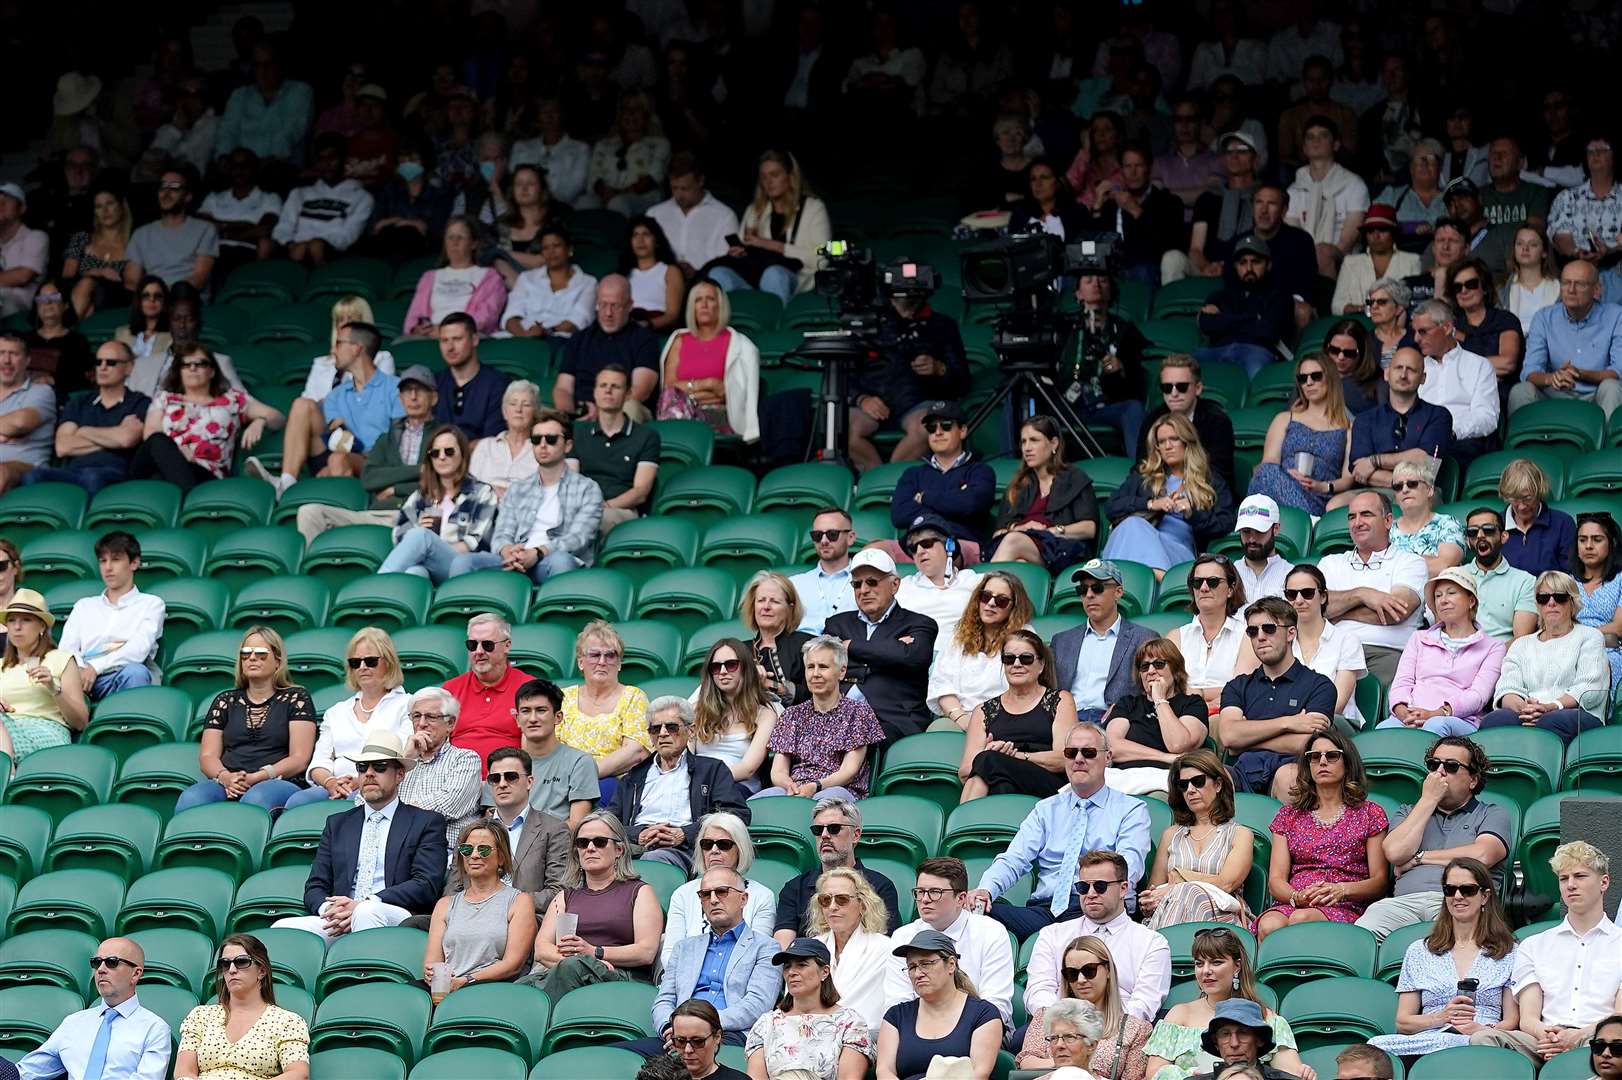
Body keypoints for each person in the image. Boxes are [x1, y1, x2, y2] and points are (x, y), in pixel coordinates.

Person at [970, 724, 1152, 940]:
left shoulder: (1131, 810)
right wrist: (985, 890)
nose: (1078, 759)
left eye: (1089, 752)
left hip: (1095, 909)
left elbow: (1128, 866)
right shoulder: (1046, 809)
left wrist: (1096, 894)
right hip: (1043, 911)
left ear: (1108, 757)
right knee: (972, 917)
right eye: (1071, 752)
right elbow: (1014, 860)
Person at [273, 730, 449, 941]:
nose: (369, 773)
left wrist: (367, 902)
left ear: (400, 774)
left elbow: (426, 884)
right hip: (340, 916)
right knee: (282, 927)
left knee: (367, 912)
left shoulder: (426, 822)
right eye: (362, 767)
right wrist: (329, 909)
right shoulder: (338, 823)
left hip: (395, 914)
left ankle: (366, 972)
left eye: (380, 767)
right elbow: (315, 885)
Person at [1468, 841, 1622, 1063]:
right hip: (1544, 1040)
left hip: (1599, 1038)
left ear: (1604, 882)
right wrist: (1548, 1036)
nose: (1570, 885)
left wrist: (1576, 1036)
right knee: (1485, 1038)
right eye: (1563, 878)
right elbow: (1528, 1018)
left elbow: (1619, 1016)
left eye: (1580, 876)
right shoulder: (1533, 945)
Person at [1357, 736, 1511, 940]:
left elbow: (1481, 856)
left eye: (1451, 766)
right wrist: (1428, 799)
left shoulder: (1491, 813)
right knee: (1364, 932)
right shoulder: (1408, 812)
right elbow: (1395, 852)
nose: (1439, 772)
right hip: (1403, 903)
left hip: (1460, 900)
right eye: (1433, 765)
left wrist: (1419, 857)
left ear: (1473, 780)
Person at [622, 866, 780, 1059]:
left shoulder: (766, 947)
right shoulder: (684, 948)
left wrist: (697, 1025)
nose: (713, 899)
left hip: (729, 1035)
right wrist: (669, 1026)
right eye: (705, 894)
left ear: (743, 899)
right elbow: (664, 999)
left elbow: (757, 1005)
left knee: (680, 1063)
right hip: (678, 1035)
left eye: (722, 891)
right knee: (616, 1055)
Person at [1255, 728, 1390, 940]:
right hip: (1297, 900)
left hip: (1345, 901)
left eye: (1332, 755)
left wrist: (1341, 890)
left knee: (1301, 921)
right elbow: (1275, 880)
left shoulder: (1370, 813)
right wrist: (1296, 896)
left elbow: (1380, 881)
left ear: (1347, 763)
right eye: (1315, 757)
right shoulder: (1288, 815)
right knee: (1269, 925)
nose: (1323, 762)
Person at [250, 321, 401, 498]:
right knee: (302, 404)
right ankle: (286, 484)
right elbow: (335, 436)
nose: (333, 351)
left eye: (338, 343)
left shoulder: (395, 388)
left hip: (376, 462)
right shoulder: (335, 395)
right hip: (340, 455)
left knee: (337, 459)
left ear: (357, 349)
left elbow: (401, 439)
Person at [452, 409, 604, 583]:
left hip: (551, 561)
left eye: (551, 439)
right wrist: (507, 550)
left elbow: (578, 538)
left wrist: (538, 553)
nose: (543, 445)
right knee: (463, 562)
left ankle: (553, 611)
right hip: (515, 559)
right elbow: (502, 533)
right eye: (536, 440)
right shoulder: (518, 488)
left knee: (561, 561)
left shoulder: (587, 488)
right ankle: (473, 612)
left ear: (568, 445)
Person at [171, 626, 313, 812]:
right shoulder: (225, 701)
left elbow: (299, 758)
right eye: (245, 653)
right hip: (227, 781)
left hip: (278, 780)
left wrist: (258, 776)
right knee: (191, 799)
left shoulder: (296, 698)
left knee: (256, 798)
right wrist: (225, 777)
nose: (252, 658)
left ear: (278, 661)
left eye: (261, 653)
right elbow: (207, 756)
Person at [1140, 927, 1312, 1080]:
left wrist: (1303, 1074)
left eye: (1216, 962)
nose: (1206, 971)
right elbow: (1154, 1072)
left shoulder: (1266, 1018)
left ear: (1237, 966)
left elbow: (1291, 1073)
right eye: (1199, 963)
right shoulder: (1179, 1015)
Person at [525, 810, 663, 1000]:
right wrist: (585, 961)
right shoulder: (564, 897)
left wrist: (595, 953)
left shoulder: (639, 892)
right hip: (569, 970)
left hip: (621, 978)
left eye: (599, 842)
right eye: (582, 843)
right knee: (515, 990)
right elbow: (542, 950)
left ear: (619, 850)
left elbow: (646, 951)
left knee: (571, 968)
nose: (590, 848)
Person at [1025, 849, 1172, 1026]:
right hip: (1059, 1027)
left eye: (1100, 886)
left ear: (1123, 888)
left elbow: (1144, 1003)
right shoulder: (1052, 934)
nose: (1091, 893)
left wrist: (1100, 1028)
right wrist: (1064, 1024)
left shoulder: (1151, 943)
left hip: (1120, 1030)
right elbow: (1038, 991)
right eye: (1083, 887)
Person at [1216, 597, 1339, 800]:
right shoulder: (1237, 685)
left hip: (1292, 769)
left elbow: (1309, 743)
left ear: (1291, 633)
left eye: (1269, 629)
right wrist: (1290, 722)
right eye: (1253, 631)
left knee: (1288, 777)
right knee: (1204, 777)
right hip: (1243, 771)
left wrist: (1246, 739)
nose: (1260, 637)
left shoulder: (1320, 685)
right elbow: (1229, 736)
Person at [608, 695, 749, 871]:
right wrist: (639, 834)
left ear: (691, 731)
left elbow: (736, 813)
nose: (663, 733)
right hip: (633, 848)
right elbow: (609, 822)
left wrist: (685, 833)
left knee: (653, 860)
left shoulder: (712, 770)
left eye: (672, 727)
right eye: (655, 729)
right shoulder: (634, 776)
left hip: (685, 849)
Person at [281, 627, 411, 810]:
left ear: (389, 663)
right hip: (334, 786)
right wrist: (330, 782)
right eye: (355, 662)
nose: (363, 667)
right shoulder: (336, 712)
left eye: (371, 661)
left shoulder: (408, 705)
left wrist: (360, 781)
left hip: (380, 786)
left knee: (356, 803)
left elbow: (403, 754)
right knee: (298, 803)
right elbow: (319, 762)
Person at [1479, 570, 1610, 742]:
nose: (1551, 603)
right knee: (1494, 721)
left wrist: (1550, 707)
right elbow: (1507, 688)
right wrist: (1525, 710)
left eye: (1560, 597)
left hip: (1577, 714)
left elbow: (1589, 689)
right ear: (1538, 605)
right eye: (1544, 598)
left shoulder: (1590, 637)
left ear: (1573, 602)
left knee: (1551, 722)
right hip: (1529, 713)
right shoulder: (1521, 644)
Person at [132, 343, 282, 494]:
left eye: (200, 363)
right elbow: (151, 433)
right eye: (186, 364)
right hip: (163, 467)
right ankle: (189, 498)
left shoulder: (233, 399)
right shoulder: (164, 398)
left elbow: (278, 418)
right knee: (157, 440)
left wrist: (259, 421)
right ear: (179, 371)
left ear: (212, 371)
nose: (193, 368)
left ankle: (190, 499)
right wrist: (177, 452)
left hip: (207, 474)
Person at [820, 551, 937, 740]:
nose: (864, 590)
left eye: (872, 582)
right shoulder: (836, 624)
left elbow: (914, 658)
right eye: (857, 584)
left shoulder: (920, 623)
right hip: (836, 714)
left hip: (893, 720)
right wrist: (892, 649)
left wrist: (850, 646)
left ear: (895, 585)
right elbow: (825, 663)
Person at [17, 936, 171, 1080]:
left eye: (112, 962)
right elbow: (25, 1073)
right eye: (96, 963)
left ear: (135, 974)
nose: (101, 969)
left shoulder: (155, 1029)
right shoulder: (73, 1023)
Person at [752, 635, 884, 802]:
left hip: (839, 789)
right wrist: (789, 785)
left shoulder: (858, 712)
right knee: (753, 806)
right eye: (810, 667)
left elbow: (849, 771)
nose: (815, 674)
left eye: (823, 667)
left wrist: (816, 785)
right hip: (794, 790)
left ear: (842, 671)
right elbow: (778, 771)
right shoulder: (792, 714)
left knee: (822, 805)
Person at [884, 858, 1014, 1028]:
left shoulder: (991, 932)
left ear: (961, 898)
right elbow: (897, 1003)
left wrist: (951, 1034)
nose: (924, 899)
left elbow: (996, 1005)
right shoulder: (903, 937)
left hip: (979, 1028)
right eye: (920, 891)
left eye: (935, 892)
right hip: (918, 1030)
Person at [1318, 491, 1429, 683]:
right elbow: (1311, 609)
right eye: (1352, 517)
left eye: (1366, 514)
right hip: (1332, 651)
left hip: (1385, 654)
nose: (1357, 522)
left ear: (1387, 521)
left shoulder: (1410, 562)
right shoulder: (1330, 563)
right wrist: (1362, 595)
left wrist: (1335, 612)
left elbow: (1394, 612)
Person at [1379, 571, 1507, 736]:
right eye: (1438, 596)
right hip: (1410, 717)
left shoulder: (1493, 646)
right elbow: (1402, 683)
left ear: (1471, 601)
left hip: (1459, 720)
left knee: (1435, 727)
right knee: (1382, 731)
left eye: (1451, 593)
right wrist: (1405, 714)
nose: (1443, 600)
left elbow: (1478, 695)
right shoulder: (1419, 638)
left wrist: (1436, 714)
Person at [956, 628, 1077, 801]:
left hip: (1048, 785)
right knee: (1001, 785)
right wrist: (987, 754)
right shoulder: (983, 711)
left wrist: (1012, 756)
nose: (1017, 664)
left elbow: (1064, 759)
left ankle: (963, 823)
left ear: (1041, 665)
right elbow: (965, 772)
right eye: (1009, 658)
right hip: (999, 780)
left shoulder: (1060, 700)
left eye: (1026, 659)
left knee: (989, 760)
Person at [1104, 414, 1236, 574]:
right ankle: (1156, 579)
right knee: (1132, 525)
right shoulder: (1145, 476)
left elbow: (1226, 523)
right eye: (1161, 441)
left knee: (1133, 525)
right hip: (1137, 544)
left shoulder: (1210, 480)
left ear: (1187, 441)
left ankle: (1134, 580)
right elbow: (1111, 507)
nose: (1167, 446)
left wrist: (1192, 513)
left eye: (1174, 439)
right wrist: (1151, 504)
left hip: (1179, 553)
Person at [1141, 749, 1254, 928]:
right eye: (1183, 785)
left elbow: (1226, 883)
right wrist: (1150, 900)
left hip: (1221, 920)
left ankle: (1170, 950)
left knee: (1188, 891)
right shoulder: (1171, 835)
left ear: (1218, 785)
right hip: (1169, 913)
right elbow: (1155, 888)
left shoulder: (1240, 834)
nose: (1190, 790)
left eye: (1198, 782)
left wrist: (1176, 885)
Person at [171, 934, 308, 1080]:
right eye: (225, 964)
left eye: (241, 962)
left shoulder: (287, 1021)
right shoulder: (200, 1015)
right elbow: (183, 1072)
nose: (231, 970)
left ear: (261, 971)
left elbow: (298, 1073)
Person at [421, 821, 537, 993]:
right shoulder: (445, 904)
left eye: (483, 849)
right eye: (467, 850)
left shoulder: (519, 901)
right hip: (447, 988)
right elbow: (433, 963)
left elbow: (513, 964)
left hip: (490, 990)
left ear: (501, 857)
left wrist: (466, 980)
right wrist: (432, 974)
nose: (474, 855)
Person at [773, 797, 903, 949]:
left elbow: (884, 946)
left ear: (856, 835)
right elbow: (783, 947)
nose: (824, 835)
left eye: (834, 828)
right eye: (818, 830)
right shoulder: (794, 888)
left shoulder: (880, 886)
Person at [375, 424, 498, 583]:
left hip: (465, 567)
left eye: (449, 451)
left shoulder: (482, 493)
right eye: (435, 453)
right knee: (415, 572)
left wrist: (430, 546)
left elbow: (474, 543)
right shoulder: (420, 496)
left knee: (422, 536)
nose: (441, 457)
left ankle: (375, 588)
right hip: (431, 566)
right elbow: (398, 536)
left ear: (463, 454)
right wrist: (420, 535)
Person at [1018, 935, 1155, 1078]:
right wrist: (1068, 1065)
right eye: (1072, 973)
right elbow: (1027, 1061)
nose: (1081, 980)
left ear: (1108, 970)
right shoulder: (1048, 1015)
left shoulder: (1136, 1029)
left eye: (1089, 971)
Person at [459, 746, 571, 920]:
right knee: (415, 923)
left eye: (511, 777)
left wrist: (504, 903)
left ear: (529, 782)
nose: (502, 784)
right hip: (470, 916)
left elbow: (558, 892)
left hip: (524, 918)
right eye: (495, 778)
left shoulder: (554, 829)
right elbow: (454, 888)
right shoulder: (471, 832)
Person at [709, 149, 831, 305]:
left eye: (775, 175)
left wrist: (773, 245)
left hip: (797, 278)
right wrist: (738, 253)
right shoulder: (754, 210)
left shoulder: (814, 208)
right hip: (754, 276)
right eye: (764, 177)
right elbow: (745, 250)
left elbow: (821, 260)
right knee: (717, 274)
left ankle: (772, 326)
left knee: (773, 274)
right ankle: (737, 325)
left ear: (790, 176)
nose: (769, 182)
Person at [876, 931, 1003, 1080]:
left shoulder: (983, 1014)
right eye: (911, 967)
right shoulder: (896, 1016)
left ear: (951, 965)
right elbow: (884, 1071)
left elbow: (979, 1073)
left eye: (925, 964)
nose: (917, 973)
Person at [21, 338, 142, 492]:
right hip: (73, 472)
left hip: (113, 472)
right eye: (98, 362)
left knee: (92, 476)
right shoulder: (78, 402)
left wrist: (84, 431)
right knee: (32, 476)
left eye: (111, 362)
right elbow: (63, 447)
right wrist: (112, 439)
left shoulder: (139, 401)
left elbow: (126, 439)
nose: (102, 367)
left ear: (129, 367)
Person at [745, 937, 874, 1080]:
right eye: (787, 966)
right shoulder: (766, 1024)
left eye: (801, 965)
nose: (791, 972)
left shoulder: (850, 1023)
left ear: (824, 972)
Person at [1339, 348, 1453, 508]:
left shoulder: (1439, 415)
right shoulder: (1365, 420)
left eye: (1411, 370)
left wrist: (1374, 461)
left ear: (1423, 378)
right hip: (1372, 492)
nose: (1403, 374)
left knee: (1420, 502)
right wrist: (1408, 479)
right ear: (1386, 374)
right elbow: (1358, 469)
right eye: (1398, 368)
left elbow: (1426, 461)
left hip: (1421, 492)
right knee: (1334, 505)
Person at [56, 530, 163, 701]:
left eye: (116, 559)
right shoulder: (84, 606)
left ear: (134, 563)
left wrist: (95, 668)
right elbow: (67, 649)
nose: (108, 567)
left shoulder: (151, 604)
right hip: (80, 679)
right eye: (103, 561)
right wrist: (82, 670)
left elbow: (138, 650)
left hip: (121, 676)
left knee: (136, 672)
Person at [663, 812, 779, 966]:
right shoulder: (683, 894)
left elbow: (757, 954)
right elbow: (670, 954)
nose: (714, 850)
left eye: (724, 845)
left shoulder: (762, 896)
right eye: (707, 844)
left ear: (740, 849)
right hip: (687, 983)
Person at [1053, 560, 1160, 724]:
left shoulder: (1144, 638)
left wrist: (1125, 708)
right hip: (1066, 721)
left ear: (1118, 592)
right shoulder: (1061, 641)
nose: (1089, 595)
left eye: (1097, 588)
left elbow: (1155, 687)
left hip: (1119, 722)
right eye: (1083, 589)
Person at [883, 402, 994, 561]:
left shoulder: (981, 471)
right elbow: (899, 515)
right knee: (872, 551)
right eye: (931, 427)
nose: (938, 432)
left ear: (962, 431)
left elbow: (972, 504)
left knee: (939, 554)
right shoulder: (913, 474)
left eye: (946, 426)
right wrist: (954, 504)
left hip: (961, 544)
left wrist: (925, 498)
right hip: (914, 545)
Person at [1515, 259, 1622, 419]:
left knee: (1612, 387)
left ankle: (1609, 444)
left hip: (1596, 394)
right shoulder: (1544, 318)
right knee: (1521, 391)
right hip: (1554, 392)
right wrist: (1552, 378)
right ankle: (1525, 443)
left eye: (1580, 284)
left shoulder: (1615, 316)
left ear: (1596, 289)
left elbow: (1618, 371)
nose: (1571, 290)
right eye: (1566, 283)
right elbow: (1530, 371)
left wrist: (1580, 374)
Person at [989, 416, 1099, 571]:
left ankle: (980, 590)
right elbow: (998, 533)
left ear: (1053, 443)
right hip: (1023, 548)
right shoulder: (1018, 484)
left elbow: (1089, 528)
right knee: (1019, 564)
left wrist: (1051, 531)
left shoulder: (1074, 477)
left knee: (1013, 541)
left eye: (1034, 440)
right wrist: (1023, 528)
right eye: (1024, 441)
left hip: (1059, 549)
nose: (1027, 448)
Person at [1248, 351, 1352, 516]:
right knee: (1265, 472)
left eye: (1316, 376)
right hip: (1280, 488)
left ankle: (1302, 520)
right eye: (1303, 378)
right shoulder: (1285, 418)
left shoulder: (1347, 427)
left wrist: (1322, 486)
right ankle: (1303, 522)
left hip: (1319, 496)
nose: (1309, 382)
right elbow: (1268, 463)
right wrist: (1287, 475)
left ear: (1330, 378)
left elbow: (1348, 479)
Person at [657, 279, 761, 441]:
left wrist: (689, 393)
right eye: (698, 300)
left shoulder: (739, 343)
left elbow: (732, 394)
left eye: (710, 299)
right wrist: (710, 384)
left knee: (679, 414)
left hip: (720, 416)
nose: (704, 304)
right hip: (682, 412)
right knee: (671, 399)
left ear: (720, 306)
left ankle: (675, 445)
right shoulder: (679, 340)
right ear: (692, 307)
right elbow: (669, 389)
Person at [1102, 640, 1211, 794]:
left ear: (1175, 669)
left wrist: (1159, 699)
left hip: (1166, 782)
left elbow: (1178, 745)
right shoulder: (1128, 703)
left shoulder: (1192, 703)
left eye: (1159, 664)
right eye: (1144, 667)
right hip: (1124, 778)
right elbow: (1112, 746)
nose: (1151, 671)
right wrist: (1165, 757)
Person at [929, 571, 1034, 729]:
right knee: (939, 729)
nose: (991, 603)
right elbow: (943, 685)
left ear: (1014, 607)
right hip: (959, 717)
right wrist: (962, 719)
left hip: (1005, 718)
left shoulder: (1024, 637)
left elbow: (1025, 690)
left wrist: (984, 722)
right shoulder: (959, 636)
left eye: (1001, 600)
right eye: (985, 596)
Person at [392, 685, 493, 848]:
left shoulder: (465, 759)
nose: (422, 724)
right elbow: (366, 800)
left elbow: (446, 806)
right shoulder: (400, 761)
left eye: (431, 717)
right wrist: (404, 762)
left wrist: (391, 812)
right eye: (416, 716)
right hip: (397, 849)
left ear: (451, 724)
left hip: (444, 853)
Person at [553, 275, 661, 421]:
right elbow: (563, 388)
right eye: (603, 305)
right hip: (581, 413)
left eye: (615, 306)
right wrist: (568, 417)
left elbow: (641, 391)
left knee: (631, 408)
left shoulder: (645, 339)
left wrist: (602, 410)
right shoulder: (580, 339)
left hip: (623, 411)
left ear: (629, 305)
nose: (608, 313)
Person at [570, 365, 662, 534]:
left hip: (620, 510)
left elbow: (640, 492)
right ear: (595, 392)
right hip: (580, 508)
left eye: (616, 387)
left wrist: (604, 506)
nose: (608, 391)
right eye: (603, 386)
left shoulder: (646, 436)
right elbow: (570, 481)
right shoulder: (578, 432)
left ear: (627, 394)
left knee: (594, 520)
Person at [558, 620, 652, 782]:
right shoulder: (562, 698)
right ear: (581, 662)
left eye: (610, 655)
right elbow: (547, 747)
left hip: (611, 782)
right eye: (595, 655)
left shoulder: (633, 698)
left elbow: (636, 752)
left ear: (619, 663)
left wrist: (584, 776)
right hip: (561, 779)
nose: (602, 661)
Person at [1162, 130, 1260, 285]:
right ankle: (1173, 309)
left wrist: (1229, 267)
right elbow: (1196, 249)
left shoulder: (1264, 197)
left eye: (1242, 150)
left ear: (1255, 159)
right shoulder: (1209, 197)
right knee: (1172, 258)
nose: (1234, 156)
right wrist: (1207, 266)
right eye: (1229, 152)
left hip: (1250, 268)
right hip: (1209, 268)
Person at [0, 588, 86, 762]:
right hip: (6, 730)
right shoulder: (1, 664)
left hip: (46, 733)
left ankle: (6, 775)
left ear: (41, 626)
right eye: (11, 620)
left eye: (26, 620)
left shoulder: (61, 659)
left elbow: (81, 722)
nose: (17, 627)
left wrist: (54, 689)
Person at [807, 866, 894, 1036]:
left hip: (861, 1038)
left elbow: (865, 1010)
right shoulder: (812, 947)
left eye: (842, 899)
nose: (832, 907)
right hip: (811, 1035)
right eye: (825, 900)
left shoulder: (884, 948)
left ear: (862, 905)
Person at [1411, 298, 1499, 465]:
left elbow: (1486, 418)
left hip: (1460, 443)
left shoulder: (1479, 365)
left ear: (1446, 328)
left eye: (1423, 331)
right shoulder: (1416, 366)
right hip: (1418, 443)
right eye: (1414, 332)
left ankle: (1418, 483)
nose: (1416, 338)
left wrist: (1451, 431)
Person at [1194, 237, 1294, 379]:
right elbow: (1206, 323)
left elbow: (1269, 331)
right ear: (1236, 266)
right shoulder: (1220, 296)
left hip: (1256, 351)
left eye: (1255, 262)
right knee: (1183, 368)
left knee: (1256, 369)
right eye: (1242, 263)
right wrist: (1253, 318)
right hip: (1217, 350)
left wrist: (1223, 319)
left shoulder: (1279, 297)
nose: (1248, 269)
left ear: (1268, 265)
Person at [1284, 116, 1369, 282]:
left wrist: (1321, 256)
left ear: (1336, 145)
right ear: (1304, 148)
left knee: (1322, 252)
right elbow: (1292, 235)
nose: (1316, 141)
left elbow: (1348, 241)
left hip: (1343, 256)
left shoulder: (1354, 184)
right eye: (1310, 137)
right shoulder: (1294, 189)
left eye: (1323, 135)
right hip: (1304, 257)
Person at [1283, 563, 1367, 728]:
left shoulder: (1347, 640)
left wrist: (1294, 721)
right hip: (1289, 724)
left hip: (1336, 724)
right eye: (1291, 594)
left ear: (1323, 596)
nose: (1299, 600)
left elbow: (1338, 703)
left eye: (1307, 593)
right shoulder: (1280, 640)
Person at [1140, 356, 1238, 492]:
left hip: (1205, 497)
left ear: (1198, 388)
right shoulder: (1152, 420)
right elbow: (1142, 468)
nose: (1173, 393)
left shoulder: (1217, 422)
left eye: (1182, 387)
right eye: (1167, 387)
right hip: (1159, 494)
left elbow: (1219, 475)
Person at [273, 134, 373, 265]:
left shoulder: (362, 197)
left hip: (334, 253)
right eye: (321, 158)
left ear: (344, 160)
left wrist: (316, 244)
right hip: (294, 250)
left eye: (332, 157)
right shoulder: (299, 193)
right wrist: (291, 244)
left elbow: (348, 236)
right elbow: (283, 228)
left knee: (316, 247)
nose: (327, 163)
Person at [693, 639, 778, 791]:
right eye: (716, 667)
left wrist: (708, 780)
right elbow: (685, 757)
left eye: (731, 665)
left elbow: (748, 769)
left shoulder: (765, 715)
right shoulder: (696, 710)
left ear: (745, 668)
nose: (723, 671)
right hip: (697, 786)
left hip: (738, 787)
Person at [1174, 555, 1258, 708]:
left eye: (1212, 582)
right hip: (1178, 713)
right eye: (1197, 582)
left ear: (1230, 590)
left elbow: (1241, 689)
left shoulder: (1247, 635)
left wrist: (1198, 694)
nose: (1204, 588)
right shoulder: (1176, 636)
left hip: (1226, 713)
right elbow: (1165, 686)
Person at [514, 679, 599, 828]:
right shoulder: (503, 764)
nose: (533, 718)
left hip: (556, 847)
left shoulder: (580, 762)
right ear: (517, 719)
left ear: (558, 717)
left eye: (541, 710)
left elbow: (576, 825)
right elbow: (492, 818)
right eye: (526, 711)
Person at [403, 216, 507, 335]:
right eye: (450, 237)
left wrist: (449, 330)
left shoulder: (490, 277)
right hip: (431, 335)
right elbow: (414, 315)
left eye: (460, 237)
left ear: (473, 244)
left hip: (470, 334)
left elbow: (487, 317)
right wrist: (416, 329)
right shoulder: (430, 277)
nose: (454, 243)